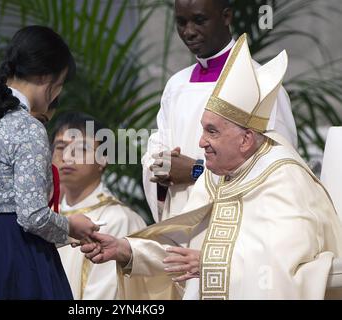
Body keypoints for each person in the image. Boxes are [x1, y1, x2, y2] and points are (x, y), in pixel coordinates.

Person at [81, 34, 342, 299]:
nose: (201, 142)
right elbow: (181, 251)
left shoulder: (284, 180)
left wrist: (213, 266)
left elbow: (286, 270)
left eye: (212, 131)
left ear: (246, 139)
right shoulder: (215, 176)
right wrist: (127, 250)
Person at [0, 25, 99, 300]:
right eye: (60, 85)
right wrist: (70, 226)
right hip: (11, 250)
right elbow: (32, 216)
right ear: (48, 77)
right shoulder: (27, 127)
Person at [143, 0, 297, 223]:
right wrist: (160, 167)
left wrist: (196, 172)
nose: (189, 32)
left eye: (199, 20)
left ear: (226, 17)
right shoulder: (176, 85)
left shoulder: (260, 83)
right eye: (181, 22)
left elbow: (280, 168)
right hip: (180, 220)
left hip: (235, 226)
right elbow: (157, 148)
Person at [51, 112, 146, 299]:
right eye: (61, 147)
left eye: (81, 149)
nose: (67, 156)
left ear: (103, 159)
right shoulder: (45, 218)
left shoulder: (119, 219)